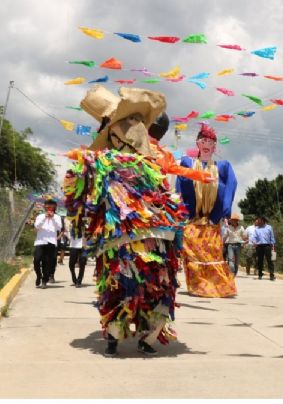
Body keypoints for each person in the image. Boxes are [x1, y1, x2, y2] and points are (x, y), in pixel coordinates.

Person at [64, 85, 186, 357]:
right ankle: (135, 337)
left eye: (136, 122)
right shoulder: (123, 162)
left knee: (137, 286)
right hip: (134, 237)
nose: (134, 128)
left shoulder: (108, 161)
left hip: (143, 238)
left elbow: (73, 189)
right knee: (135, 286)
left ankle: (122, 337)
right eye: (127, 123)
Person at [175, 124, 238, 297]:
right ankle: (198, 286)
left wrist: (221, 213)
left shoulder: (223, 167)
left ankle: (219, 287)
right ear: (197, 143)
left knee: (212, 252)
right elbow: (179, 188)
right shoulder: (188, 163)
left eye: (210, 141)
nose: (206, 143)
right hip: (192, 220)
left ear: (214, 146)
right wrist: (180, 212)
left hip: (212, 219)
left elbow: (231, 186)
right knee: (192, 252)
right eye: (203, 140)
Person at [32, 197, 62, 289]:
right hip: (40, 241)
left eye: (51, 206)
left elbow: (59, 227)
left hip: (51, 242)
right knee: (36, 260)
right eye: (47, 206)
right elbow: (37, 226)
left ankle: (44, 280)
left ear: (54, 207)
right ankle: (38, 275)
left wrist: (52, 218)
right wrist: (45, 217)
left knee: (47, 262)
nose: (49, 208)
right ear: (44, 207)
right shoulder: (40, 216)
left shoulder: (57, 217)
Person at [250, 216, 276, 281]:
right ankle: (260, 274)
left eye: (259, 221)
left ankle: (271, 275)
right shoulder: (257, 229)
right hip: (259, 246)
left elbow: (272, 237)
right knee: (260, 261)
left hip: (267, 246)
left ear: (263, 221)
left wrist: (273, 246)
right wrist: (254, 242)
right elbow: (254, 237)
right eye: (258, 221)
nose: (258, 222)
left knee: (269, 261)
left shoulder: (269, 227)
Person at [64, 216, 87, 287]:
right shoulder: (70, 225)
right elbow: (67, 234)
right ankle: (74, 278)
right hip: (73, 246)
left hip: (83, 246)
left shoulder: (85, 226)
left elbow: (88, 235)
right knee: (71, 264)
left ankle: (79, 281)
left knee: (82, 264)